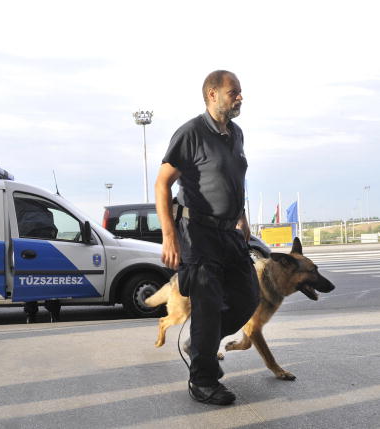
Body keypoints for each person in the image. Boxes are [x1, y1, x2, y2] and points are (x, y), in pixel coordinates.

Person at [155, 70, 260, 406]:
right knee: (208, 305)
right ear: (212, 94)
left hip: (229, 232)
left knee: (248, 298)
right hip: (197, 233)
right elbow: (162, 183)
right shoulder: (191, 133)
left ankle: (201, 343)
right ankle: (203, 380)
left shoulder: (236, 134)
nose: (240, 97)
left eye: (240, 92)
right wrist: (169, 236)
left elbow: (232, 181)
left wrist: (241, 219)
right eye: (234, 92)